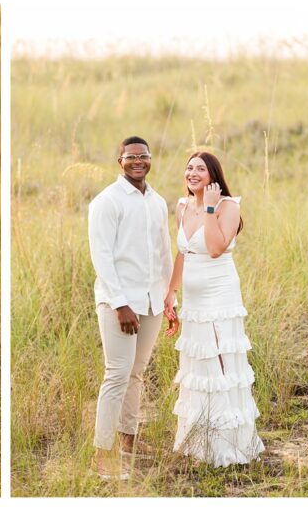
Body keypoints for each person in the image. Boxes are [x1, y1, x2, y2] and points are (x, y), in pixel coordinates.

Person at [163, 151, 264, 466]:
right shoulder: (182, 206)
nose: (193, 173)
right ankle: (201, 442)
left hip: (220, 296)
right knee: (198, 364)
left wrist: (208, 208)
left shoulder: (227, 207)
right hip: (193, 299)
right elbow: (183, 252)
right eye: (189, 167)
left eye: (200, 169)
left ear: (213, 176)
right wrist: (171, 292)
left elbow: (217, 247)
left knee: (221, 362)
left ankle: (230, 445)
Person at [88, 136, 174, 480]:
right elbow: (102, 257)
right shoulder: (106, 202)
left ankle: (129, 443)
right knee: (117, 374)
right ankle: (102, 456)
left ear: (150, 159)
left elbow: (164, 252)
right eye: (131, 157)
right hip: (119, 302)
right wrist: (121, 304)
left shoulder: (157, 201)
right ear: (119, 160)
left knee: (136, 373)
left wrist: (171, 299)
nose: (138, 161)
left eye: (144, 156)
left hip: (153, 300)